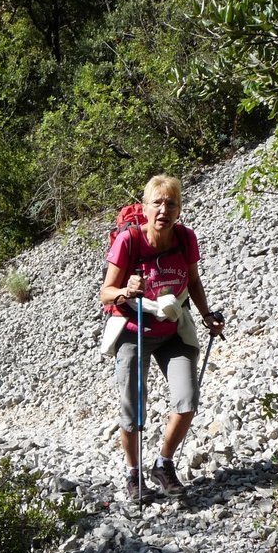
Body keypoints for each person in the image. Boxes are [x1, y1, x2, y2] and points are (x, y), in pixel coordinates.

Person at [100, 175, 225, 501]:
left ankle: (163, 464)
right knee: (133, 412)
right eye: (157, 202)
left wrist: (207, 315)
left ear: (179, 209)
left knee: (187, 400)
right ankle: (133, 475)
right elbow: (105, 293)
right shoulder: (128, 242)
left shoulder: (185, 238)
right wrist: (126, 290)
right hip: (133, 331)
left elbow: (194, 282)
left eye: (171, 203)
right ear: (145, 207)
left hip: (173, 329)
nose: (163, 209)